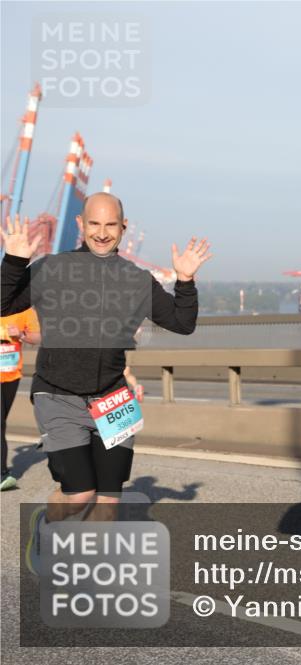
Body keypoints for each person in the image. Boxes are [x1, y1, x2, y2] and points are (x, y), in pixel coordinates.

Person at [1, 194, 211, 574]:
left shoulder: (135, 279)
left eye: (110, 225)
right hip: (58, 394)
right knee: (80, 493)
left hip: (113, 399)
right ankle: (46, 526)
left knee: (108, 502)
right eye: (94, 224)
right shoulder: (52, 268)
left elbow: (183, 323)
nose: (102, 233)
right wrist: (14, 261)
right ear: (80, 225)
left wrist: (185, 280)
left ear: (123, 228)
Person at [1, 306, 41, 490]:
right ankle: (2, 474)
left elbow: (38, 336)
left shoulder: (23, 310)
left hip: (10, 375)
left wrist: (22, 334)